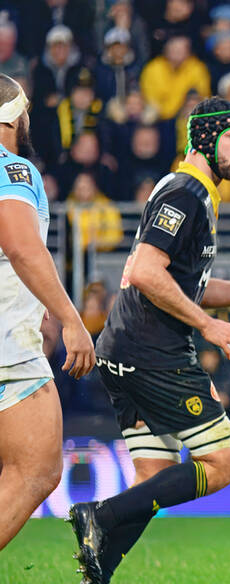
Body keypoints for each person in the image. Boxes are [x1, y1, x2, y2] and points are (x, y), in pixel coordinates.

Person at [64, 98, 230, 584]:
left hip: (126, 348)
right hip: (152, 352)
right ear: (204, 139)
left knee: (154, 477)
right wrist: (207, 326)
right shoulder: (186, 191)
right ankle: (99, 515)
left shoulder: (190, 190)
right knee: (223, 465)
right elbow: (146, 273)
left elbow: (183, 283)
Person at [0, 74, 95, 552]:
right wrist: (71, 319)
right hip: (7, 348)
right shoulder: (13, 168)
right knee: (37, 470)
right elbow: (22, 247)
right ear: (15, 115)